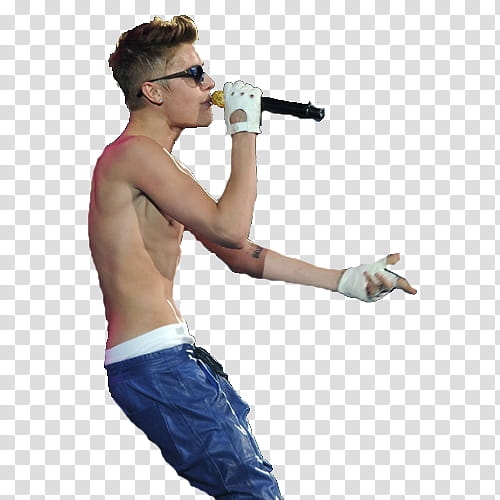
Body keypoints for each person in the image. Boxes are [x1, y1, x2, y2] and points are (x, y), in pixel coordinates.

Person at [88, 15, 417, 500]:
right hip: (156, 361)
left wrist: (343, 279)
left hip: (170, 356)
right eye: (194, 74)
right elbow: (230, 226)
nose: (210, 84)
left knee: (250, 486)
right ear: (153, 92)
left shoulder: (158, 163)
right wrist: (243, 131)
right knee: (252, 492)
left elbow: (239, 253)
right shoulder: (134, 155)